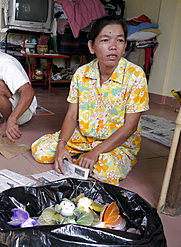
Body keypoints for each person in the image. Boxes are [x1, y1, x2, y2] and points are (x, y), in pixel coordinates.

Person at [31, 16, 149, 185]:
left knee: (105, 173)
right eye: (105, 40)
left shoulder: (135, 76)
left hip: (117, 144)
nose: (113, 46)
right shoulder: (82, 74)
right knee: (40, 151)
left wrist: (96, 152)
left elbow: (130, 126)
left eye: (120, 40)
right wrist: (62, 146)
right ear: (92, 46)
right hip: (84, 137)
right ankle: (82, 154)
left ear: (125, 47)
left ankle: (92, 156)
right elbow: (72, 116)